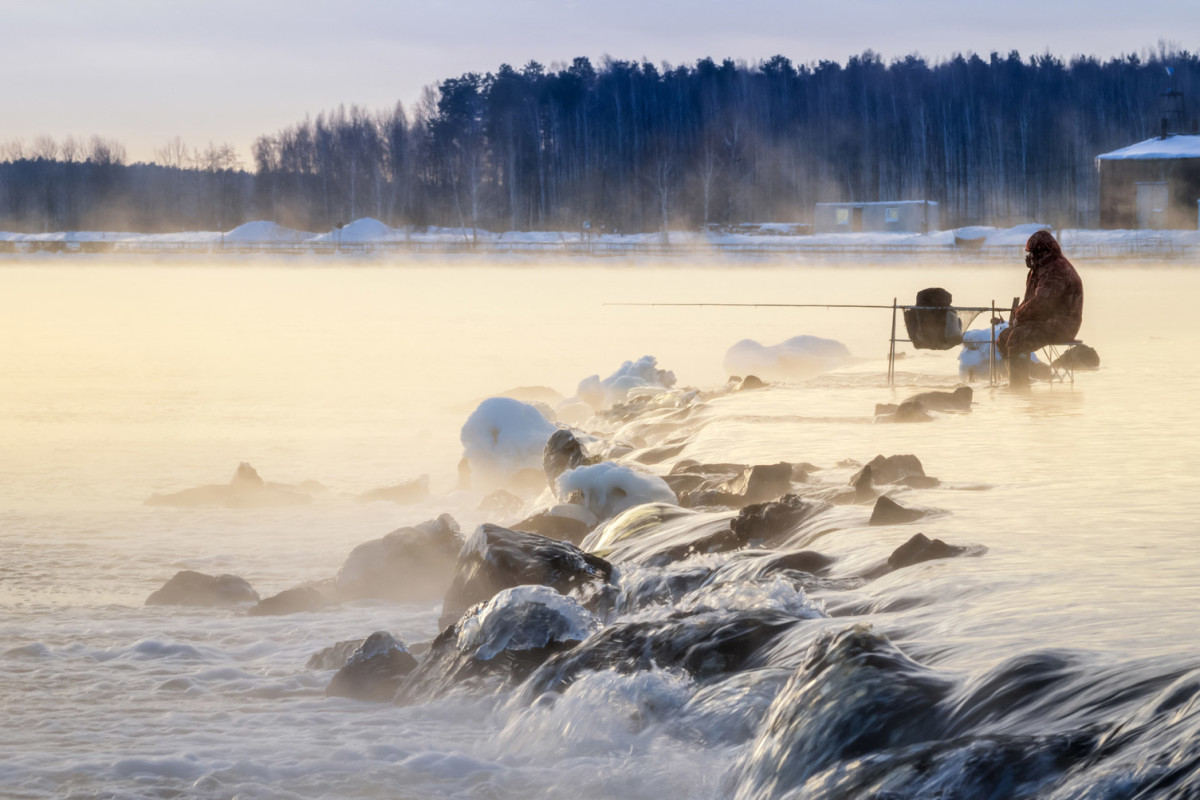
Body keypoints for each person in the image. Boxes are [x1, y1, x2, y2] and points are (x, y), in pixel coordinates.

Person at [997, 230, 1084, 387]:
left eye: (1032, 253)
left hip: (1062, 324)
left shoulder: (1056, 270)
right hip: (1043, 321)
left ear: (1042, 251)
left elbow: (1043, 302)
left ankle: (1020, 389)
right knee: (1004, 337)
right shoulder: (1039, 269)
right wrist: (1021, 318)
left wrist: (1019, 316)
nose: (1029, 257)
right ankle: (1019, 381)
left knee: (1017, 339)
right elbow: (1031, 301)